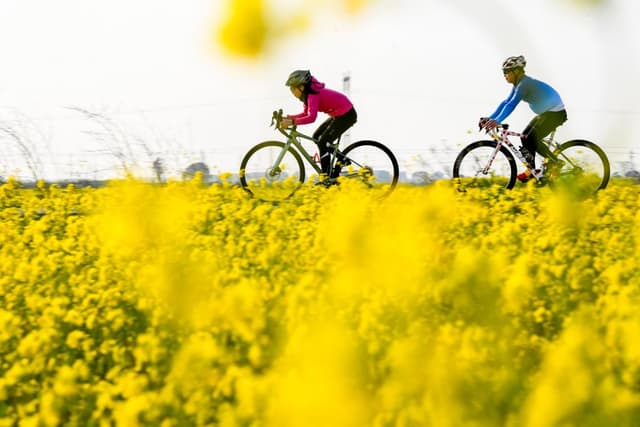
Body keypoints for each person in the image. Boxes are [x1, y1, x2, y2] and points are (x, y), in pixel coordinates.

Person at [479, 55, 567, 182]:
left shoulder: (524, 84)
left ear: (517, 71)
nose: (505, 75)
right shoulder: (518, 84)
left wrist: (497, 121)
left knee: (531, 137)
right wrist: (490, 118)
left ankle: (555, 163)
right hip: (547, 113)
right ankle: (532, 170)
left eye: (507, 72)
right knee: (525, 136)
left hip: (555, 113)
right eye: (503, 72)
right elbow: (506, 102)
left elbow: (511, 105)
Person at [280, 70, 357, 179]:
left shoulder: (312, 95)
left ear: (301, 87)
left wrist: (292, 122)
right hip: (339, 114)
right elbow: (305, 114)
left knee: (323, 142)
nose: (291, 92)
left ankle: (326, 177)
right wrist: (289, 118)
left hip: (346, 115)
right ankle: (342, 159)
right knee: (316, 137)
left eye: (293, 88)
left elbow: (311, 118)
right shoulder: (307, 96)